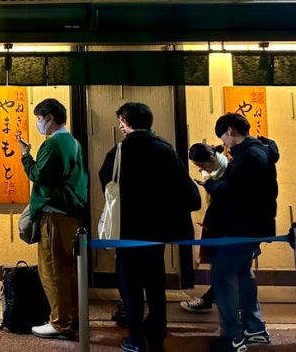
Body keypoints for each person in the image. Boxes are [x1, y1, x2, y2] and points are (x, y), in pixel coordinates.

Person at [99, 102, 201, 352]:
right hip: (158, 230)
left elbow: (106, 180)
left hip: (128, 230)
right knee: (155, 284)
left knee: (130, 286)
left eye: (121, 121)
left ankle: (135, 338)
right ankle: (156, 335)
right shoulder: (165, 149)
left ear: (127, 121)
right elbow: (186, 191)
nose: (120, 126)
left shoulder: (120, 150)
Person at [204, 113, 279, 352]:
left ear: (231, 130)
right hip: (251, 227)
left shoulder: (250, 156)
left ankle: (232, 337)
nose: (224, 143)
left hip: (239, 227)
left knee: (222, 277)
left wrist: (209, 183)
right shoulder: (260, 151)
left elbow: (234, 192)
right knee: (243, 275)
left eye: (223, 137)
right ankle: (254, 329)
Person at [17, 98, 87, 341]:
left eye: (39, 118)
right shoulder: (73, 143)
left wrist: (25, 155)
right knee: (67, 269)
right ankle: (72, 316)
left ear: (50, 117)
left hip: (54, 214)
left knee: (53, 270)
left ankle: (60, 323)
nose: (38, 123)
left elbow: (40, 176)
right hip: (71, 213)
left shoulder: (54, 144)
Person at [180, 142, 229, 314]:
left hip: (229, 228)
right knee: (225, 269)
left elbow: (225, 195)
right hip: (218, 226)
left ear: (211, 159)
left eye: (201, 165)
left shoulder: (228, 171)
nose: (202, 170)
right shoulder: (217, 171)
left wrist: (208, 183)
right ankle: (211, 300)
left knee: (229, 269)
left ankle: (212, 301)